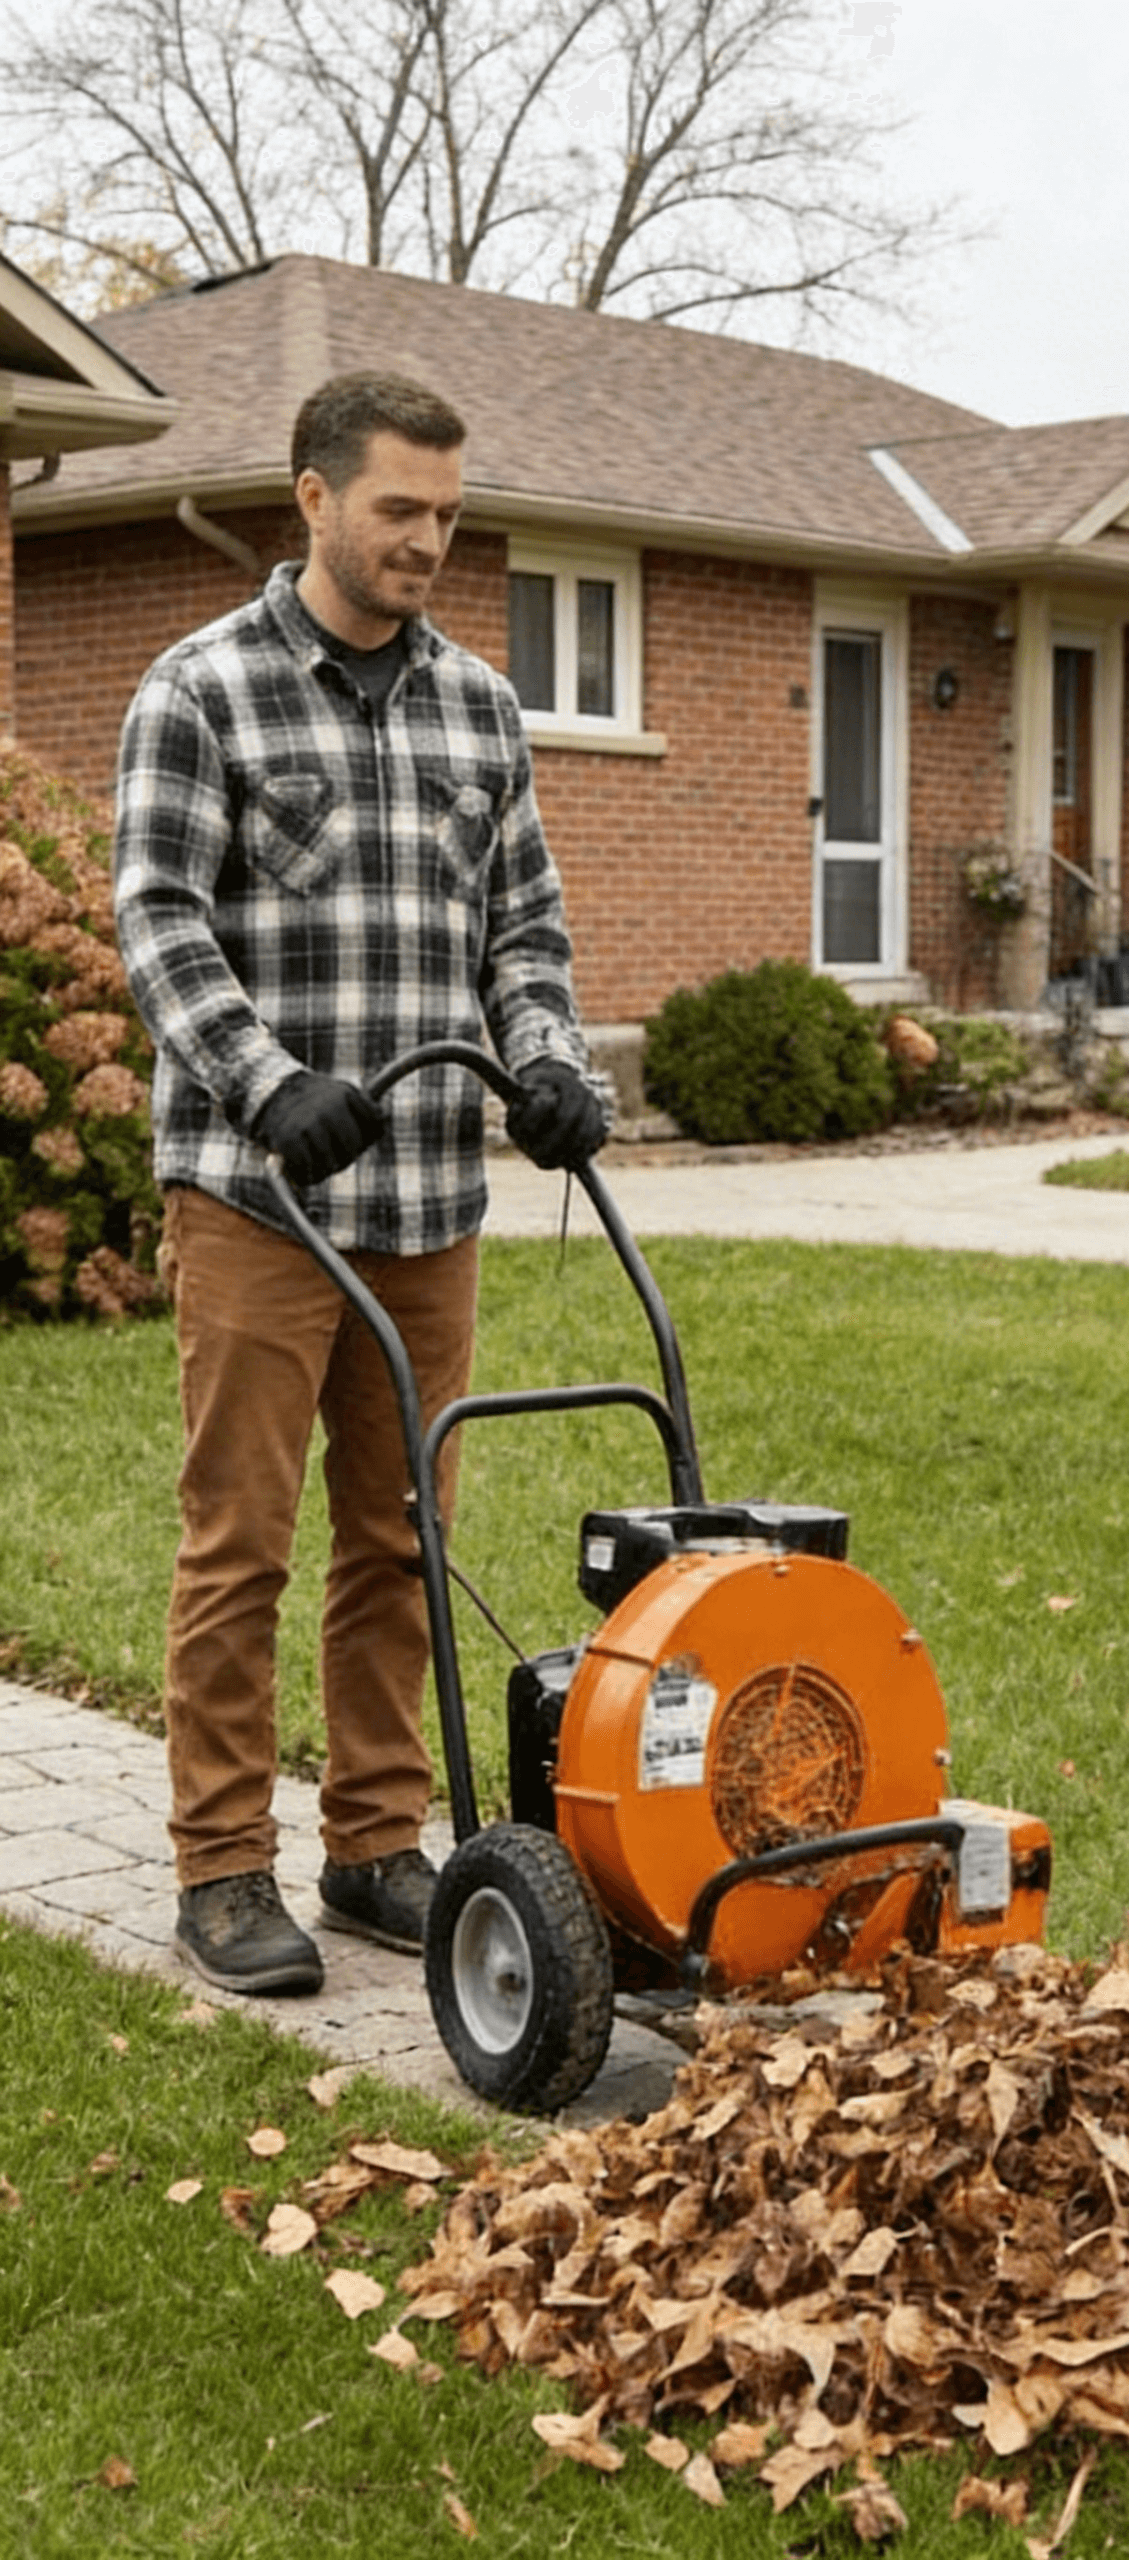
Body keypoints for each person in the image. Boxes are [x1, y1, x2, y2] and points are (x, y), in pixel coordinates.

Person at [113, 369, 608, 1997]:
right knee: (240, 1542)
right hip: (260, 1203)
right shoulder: (203, 691)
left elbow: (521, 929)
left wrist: (545, 1060)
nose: (429, 543)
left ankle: (378, 1845)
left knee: (405, 1536)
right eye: (400, 510)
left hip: (425, 1206)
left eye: (451, 516)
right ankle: (222, 1868)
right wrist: (265, 1083)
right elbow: (160, 922)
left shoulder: (477, 706)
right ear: (313, 498)